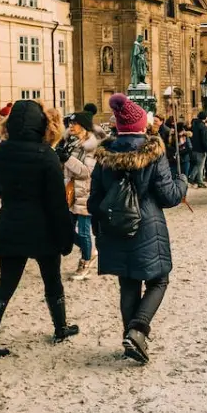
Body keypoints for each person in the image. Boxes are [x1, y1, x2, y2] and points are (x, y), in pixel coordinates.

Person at [0, 100, 78, 361]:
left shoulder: (1, 152)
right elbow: (56, 202)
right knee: (51, 279)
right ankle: (60, 327)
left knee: (6, 283)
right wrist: (66, 236)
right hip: (43, 225)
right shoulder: (46, 155)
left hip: (12, 221)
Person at [88, 94, 186, 364]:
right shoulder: (153, 152)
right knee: (159, 279)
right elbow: (169, 196)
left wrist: (101, 228)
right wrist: (182, 181)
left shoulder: (105, 156)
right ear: (142, 126)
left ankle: (129, 339)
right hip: (147, 226)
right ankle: (138, 330)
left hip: (116, 227)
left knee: (128, 282)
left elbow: (94, 200)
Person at [61, 112, 99, 281]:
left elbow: (86, 172)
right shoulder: (71, 142)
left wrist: (67, 159)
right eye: (69, 123)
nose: (71, 126)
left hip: (85, 192)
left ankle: (85, 262)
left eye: (74, 123)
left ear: (83, 126)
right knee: (66, 229)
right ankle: (89, 251)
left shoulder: (91, 146)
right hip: (71, 191)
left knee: (83, 231)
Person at [188, 111, 207, 187]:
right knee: (199, 166)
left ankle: (198, 181)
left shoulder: (193, 126)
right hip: (201, 150)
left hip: (193, 148)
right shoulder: (205, 128)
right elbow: (205, 141)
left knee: (197, 165)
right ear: (205, 118)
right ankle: (192, 178)